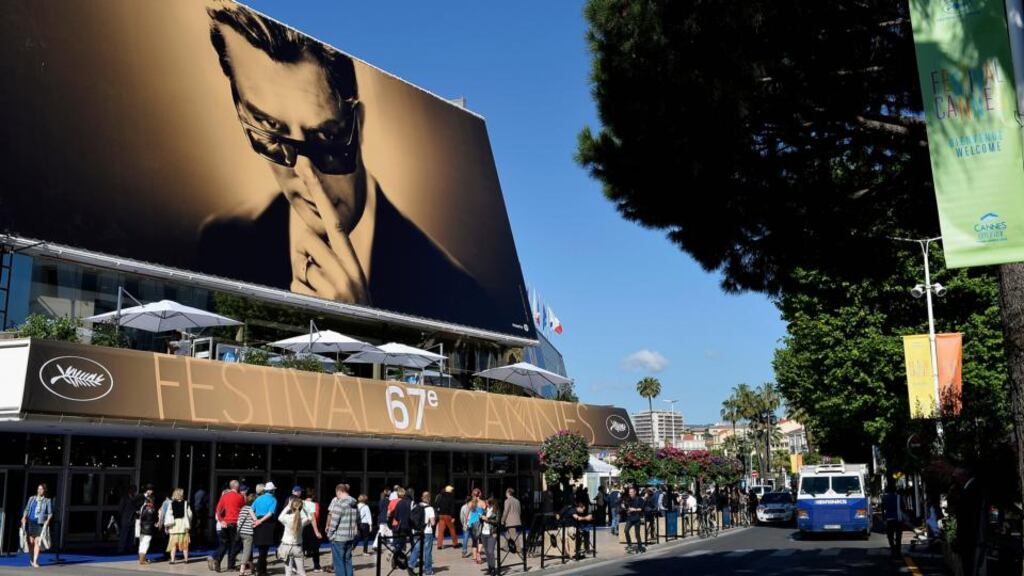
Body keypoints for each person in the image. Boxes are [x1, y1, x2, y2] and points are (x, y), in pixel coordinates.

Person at [201, 1, 501, 330]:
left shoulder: (461, 294)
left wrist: (359, 326)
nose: (305, 175)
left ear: (358, 125)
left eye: (327, 137)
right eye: (270, 132)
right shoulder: (222, 241)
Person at [210, 479, 245, 573]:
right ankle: (230, 566)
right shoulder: (240, 497)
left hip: (225, 524)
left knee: (224, 544)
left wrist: (221, 521)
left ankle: (217, 559)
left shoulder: (224, 496)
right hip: (235, 523)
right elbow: (243, 509)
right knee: (234, 545)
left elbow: (218, 510)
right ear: (237, 487)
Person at [325, 483, 358, 576]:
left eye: (336, 494)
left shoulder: (339, 504)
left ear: (339, 491)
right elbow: (357, 520)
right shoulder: (354, 504)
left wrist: (329, 535)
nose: (336, 496)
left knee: (339, 563)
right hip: (350, 537)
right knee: (348, 561)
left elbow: (334, 522)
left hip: (339, 538)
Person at [21, 483, 53, 568]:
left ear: (44, 491)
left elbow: (50, 513)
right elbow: (27, 509)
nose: (39, 490)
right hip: (31, 522)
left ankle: (35, 561)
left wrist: (47, 521)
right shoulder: (31, 499)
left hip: (40, 523)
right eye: (38, 489)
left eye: (41, 489)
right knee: (30, 542)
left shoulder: (47, 500)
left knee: (37, 542)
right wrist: (24, 517)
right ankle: (31, 559)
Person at [251, 481, 279, 576]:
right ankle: (260, 571)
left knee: (261, 549)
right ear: (272, 491)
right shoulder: (273, 499)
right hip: (267, 524)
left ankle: (262, 570)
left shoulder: (258, 498)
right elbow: (270, 513)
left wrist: (256, 520)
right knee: (264, 550)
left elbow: (250, 510)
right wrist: (260, 521)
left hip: (259, 523)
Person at [279, 497, 311, 576]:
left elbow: (280, 517)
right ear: (300, 507)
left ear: (291, 507)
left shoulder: (287, 518)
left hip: (286, 546)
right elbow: (310, 518)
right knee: (301, 571)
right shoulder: (302, 520)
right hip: (297, 547)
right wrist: (305, 508)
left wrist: (288, 506)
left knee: (288, 572)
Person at [407, 491, 436, 576]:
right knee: (427, 551)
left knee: (416, 549)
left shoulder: (416, 506)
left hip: (417, 531)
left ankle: (410, 565)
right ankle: (428, 570)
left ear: (422, 498)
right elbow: (433, 523)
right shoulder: (430, 508)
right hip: (427, 532)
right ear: (429, 498)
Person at [166, 488, 193, 564]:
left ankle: (172, 560)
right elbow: (190, 514)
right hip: (183, 526)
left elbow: (168, 515)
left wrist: (168, 526)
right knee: (185, 544)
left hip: (174, 526)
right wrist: (189, 522)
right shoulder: (186, 503)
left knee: (173, 544)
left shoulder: (171, 503)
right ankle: (186, 559)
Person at [302, 488, 323, 572]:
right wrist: (317, 531)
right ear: (313, 495)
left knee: (301, 548)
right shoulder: (314, 504)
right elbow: (315, 517)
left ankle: (298, 567)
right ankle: (316, 566)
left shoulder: (300, 503)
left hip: (302, 526)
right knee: (315, 548)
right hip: (311, 526)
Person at [117, 484, 142, 554]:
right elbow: (120, 509)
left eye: (135, 490)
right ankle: (121, 549)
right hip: (126, 518)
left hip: (133, 519)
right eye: (133, 489)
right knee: (124, 534)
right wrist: (122, 516)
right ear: (129, 490)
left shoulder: (136, 498)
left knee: (131, 535)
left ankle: (129, 548)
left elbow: (138, 506)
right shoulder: (124, 498)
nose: (135, 491)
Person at [237, 492, 257, 576]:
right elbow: (255, 519)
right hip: (248, 533)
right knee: (247, 552)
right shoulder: (251, 508)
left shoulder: (243, 508)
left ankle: (252, 568)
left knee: (247, 551)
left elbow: (239, 521)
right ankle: (242, 570)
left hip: (241, 532)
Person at [882, 483, 904, 555]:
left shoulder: (885, 498)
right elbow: (903, 507)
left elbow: (883, 508)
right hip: (898, 519)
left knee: (890, 536)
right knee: (898, 536)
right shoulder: (899, 497)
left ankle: (892, 548)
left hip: (889, 519)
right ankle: (898, 550)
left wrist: (884, 518)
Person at [138, 492, 159, 565]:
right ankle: (142, 560)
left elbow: (141, 516)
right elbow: (153, 518)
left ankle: (142, 558)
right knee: (145, 544)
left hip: (142, 527)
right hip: (148, 528)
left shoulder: (143, 506)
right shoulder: (151, 508)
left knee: (141, 543)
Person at [622, 486, 645, 554]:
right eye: (629, 492)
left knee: (637, 534)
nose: (630, 494)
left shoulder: (639, 499)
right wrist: (624, 507)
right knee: (626, 530)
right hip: (630, 518)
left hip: (637, 518)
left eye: (631, 492)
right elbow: (626, 507)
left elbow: (641, 509)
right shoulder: (628, 499)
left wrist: (634, 509)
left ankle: (640, 547)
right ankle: (629, 545)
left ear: (635, 492)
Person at [434, 485, 457, 550]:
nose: (453, 491)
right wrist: (453, 516)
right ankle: (455, 543)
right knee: (452, 529)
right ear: (450, 491)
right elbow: (452, 508)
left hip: (441, 515)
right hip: (448, 515)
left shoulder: (440, 496)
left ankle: (439, 545)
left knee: (441, 531)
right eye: (452, 490)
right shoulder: (451, 497)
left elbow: (437, 505)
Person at [480, 497, 499, 576]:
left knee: (491, 551)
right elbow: (482, 520)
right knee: (487, 552)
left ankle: (493, 569)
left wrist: (487, 519)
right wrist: (481, 517)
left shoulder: (496, 510)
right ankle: (489, 568)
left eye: (487, 502)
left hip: (492, 533)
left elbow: (497, 521)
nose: (485, 504)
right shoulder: (485, 509)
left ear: (491, 503)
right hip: (484, 533)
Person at [501, 488, 522, 554]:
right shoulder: (517, 501)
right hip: (517, 520)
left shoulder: (507, 501)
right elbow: (519, 511)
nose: (505, 494)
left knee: (513, 534)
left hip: (510, 521)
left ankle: (518, 548)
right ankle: (506, 547)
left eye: (506, 492)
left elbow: (505, 511)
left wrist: (502, 520)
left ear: (508, 493)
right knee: (508, 533)